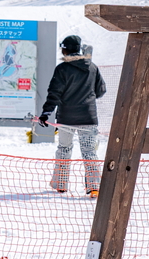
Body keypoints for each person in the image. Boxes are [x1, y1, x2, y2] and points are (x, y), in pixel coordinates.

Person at [39, 35, 107, 197]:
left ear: (65, 49)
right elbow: (101, 90)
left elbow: (54, 93)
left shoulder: (62, 69)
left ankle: (61, 184)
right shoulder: (92, 67)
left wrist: (46, 113)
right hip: (88, 118)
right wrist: (87, 99)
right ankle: (94, 186)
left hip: (66, 119)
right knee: (89, 151)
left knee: (64, 149)